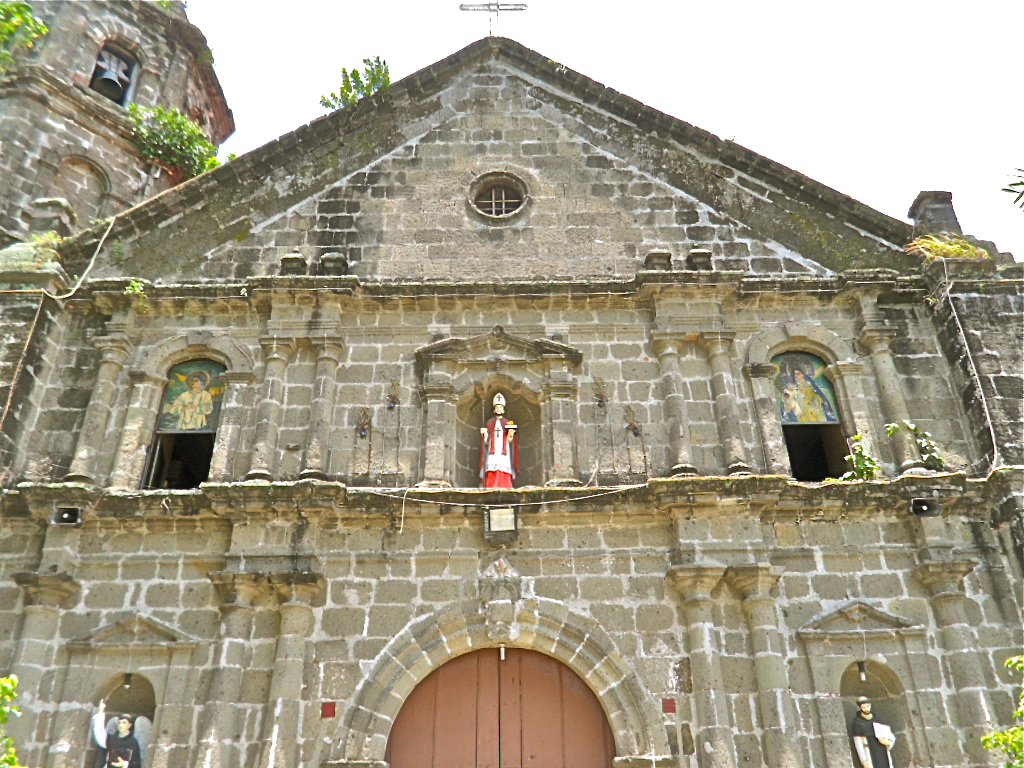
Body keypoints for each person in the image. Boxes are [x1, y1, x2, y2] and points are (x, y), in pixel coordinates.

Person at [479, 392, 517, 488]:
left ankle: (505, 485)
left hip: (504, 450)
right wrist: (485, 434)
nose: (498, 409)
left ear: (503, 410)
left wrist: (511, 433)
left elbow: (510, 440)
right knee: (491, 464)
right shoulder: (490, 423)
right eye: (497, 407)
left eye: (500, 407)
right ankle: (491, 484)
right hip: (493, 449)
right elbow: (486, 441)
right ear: (494, 409)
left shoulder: (507, 422)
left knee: (503, 464)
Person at [91, 701, 142, 768]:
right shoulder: (111, 739)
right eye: (119, 722)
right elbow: (100, 734)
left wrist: (125, 764)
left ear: (129, 725)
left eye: (124, 723)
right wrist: (101, 711)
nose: (121, 725)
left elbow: (136, 763)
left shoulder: (132, 742)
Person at [850, 696, 895, 768]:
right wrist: (863, 760)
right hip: (869, 752)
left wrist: (888, 742)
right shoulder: (858, 723)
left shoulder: (879, 722)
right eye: (863, 707)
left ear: (870, 705)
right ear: (860, 708)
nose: (866, 709)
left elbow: (891, 737)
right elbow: (858, 742)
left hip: (883, 752)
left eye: (867, 706)